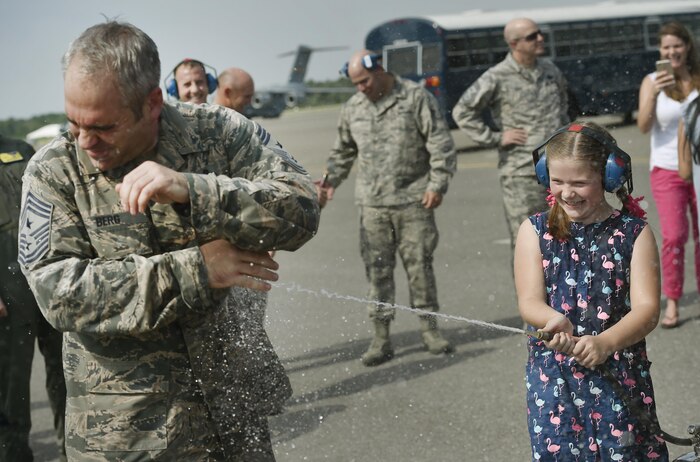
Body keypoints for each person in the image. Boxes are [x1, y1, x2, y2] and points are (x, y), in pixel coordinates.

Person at [18, 21, 320, 461]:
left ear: (152, 103)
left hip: (233, 419)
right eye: (74, 123)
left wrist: (196, 190)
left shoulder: (217, 132)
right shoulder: (54, 170)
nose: (86, 142)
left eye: (103, 126)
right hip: (131, 438)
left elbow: (302, 207)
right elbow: (57, 293)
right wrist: (199, 268)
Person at [514, 121, 668, 461]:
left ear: (609, 176)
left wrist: (605, 343)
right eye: (558, 181)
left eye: (580, 182)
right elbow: (528, 301)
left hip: (619, 375)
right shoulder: (533, 231)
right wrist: (552, 319)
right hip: (554, 381)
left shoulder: (635, 233)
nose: (567, 192)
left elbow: (647, 310)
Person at [316, 50, 457, 367]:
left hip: (414, 200)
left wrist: (437, 184)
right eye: (355, 84)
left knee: (420, 267)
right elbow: (342, 151)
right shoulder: (353, 108)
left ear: (379, 70)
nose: (360, 89)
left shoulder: (414, 97)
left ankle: (429, 329)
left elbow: (439, 141)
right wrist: (328, 183)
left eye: (364, 81)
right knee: (377, 272)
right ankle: (381, 337)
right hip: (373, 205)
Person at [452, 17, 569, 251]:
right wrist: (495, 138)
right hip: (521, 174)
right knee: (528, 244)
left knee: (564, 241)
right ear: (514, 44)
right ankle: (528, 290)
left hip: (558, 171)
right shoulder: (497, 76)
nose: (540, 39)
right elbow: (462, 111)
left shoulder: (549, 69)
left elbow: (563, 106)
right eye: (531, 36)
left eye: (539, 33)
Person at [0, 135, 66, 461]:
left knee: (65, 373)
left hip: (46, 279)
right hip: (6, 293)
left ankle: (72, 452)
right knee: (12, 386)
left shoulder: (22, 150)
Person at [637, 20, 700, 329]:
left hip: (699, 168)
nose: (672, 51)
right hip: (666, 169)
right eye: (666, 47)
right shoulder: (652, 80)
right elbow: (643, 126)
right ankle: (672, 300)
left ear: (687, 46)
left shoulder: (698, 78)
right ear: (660, 50)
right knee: (674, 236)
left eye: (677, 45)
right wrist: (655, 94)